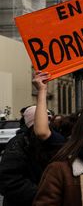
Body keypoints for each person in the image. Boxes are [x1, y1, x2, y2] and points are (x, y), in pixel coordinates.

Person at [0, 71, 65, 206]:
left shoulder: (54, 141)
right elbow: (9, 181)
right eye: (42, 119)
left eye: (48, 119)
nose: (47, 123)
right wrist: (43, 193)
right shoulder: (18, 144)